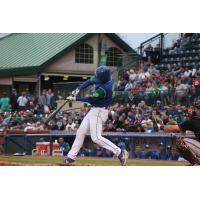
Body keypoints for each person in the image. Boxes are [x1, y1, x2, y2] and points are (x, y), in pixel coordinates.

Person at [63, 66, 129, 165]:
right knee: (80, 132)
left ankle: (120, 152)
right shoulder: (106, 78)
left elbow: (90, 99)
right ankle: (71, 157)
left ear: (103, 78)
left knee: (96, 138)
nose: (96, 79)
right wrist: (77, 89)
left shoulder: (105, 88)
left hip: (99, 111)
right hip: (94, 110)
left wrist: (75, 98)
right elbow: (89, 81)